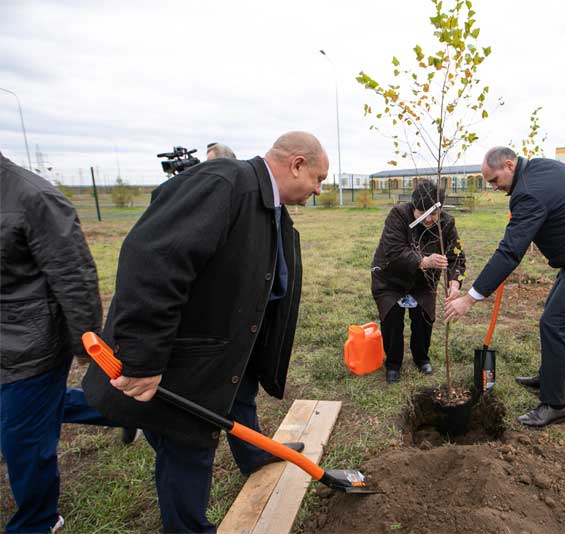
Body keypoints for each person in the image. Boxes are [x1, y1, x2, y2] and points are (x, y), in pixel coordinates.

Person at [82, 131, 328, 533]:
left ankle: (253, 454)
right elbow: (152, 262)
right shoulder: (222, 184)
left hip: (229, 345)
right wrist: (143, 358)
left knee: (240, 398)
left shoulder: (265, 202)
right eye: (317, 179)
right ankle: (187, 528)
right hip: (188, 360)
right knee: (188, 445)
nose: (318, 190)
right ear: (296, 164)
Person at [445, 147, 565, 427]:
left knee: (554, 324)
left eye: (494, 181)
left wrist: (469, 299)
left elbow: (509, 252)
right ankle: (547, 378)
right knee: (550, 318)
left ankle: (554, 405)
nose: (494, 188)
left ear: (509, 165)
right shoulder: (544, 167)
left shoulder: (527, 192)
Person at [0, 152, 122, 533]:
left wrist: (87, 341)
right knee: (30, 413)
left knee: (22, 438)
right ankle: (128, 408)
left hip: (27, 345)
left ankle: (38, 521)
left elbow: (75, 275)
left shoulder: (33, 196)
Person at [371, 180, 466, 383]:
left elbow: (457, 256)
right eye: (423, 213)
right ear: (413, 207)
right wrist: (424, 261)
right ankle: (393, 364)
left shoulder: (447, 224)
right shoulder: (398, 215)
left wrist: (454, 283)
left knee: (424, 320)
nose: (430, 219)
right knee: (392, 321)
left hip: (423, 282)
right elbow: (393, 251)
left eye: (434, 213)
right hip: (391, 277)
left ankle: (421, 358)